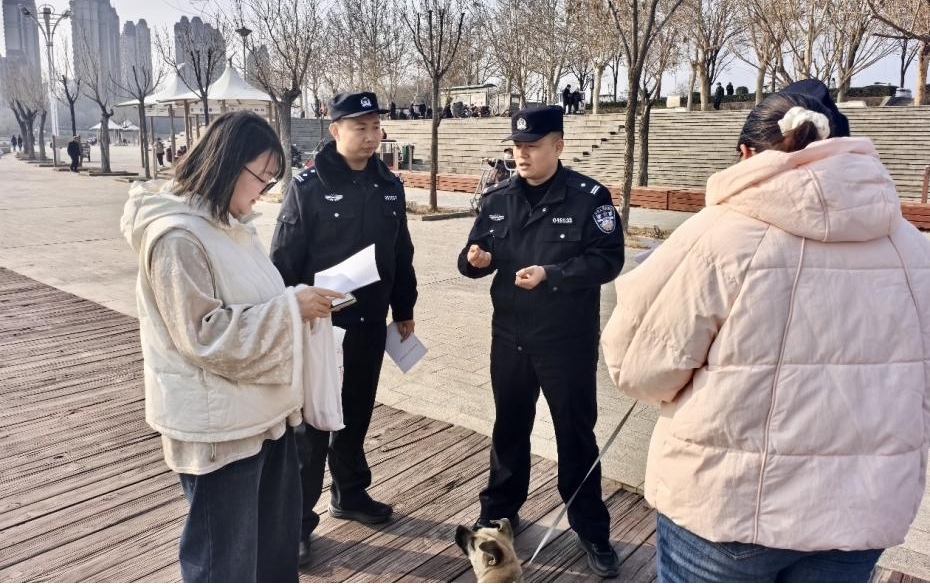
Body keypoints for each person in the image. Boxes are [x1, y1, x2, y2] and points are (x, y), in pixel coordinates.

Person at [600, 79, 930, 582]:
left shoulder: (720, 234)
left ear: (745, 154)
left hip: (726, 506)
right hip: (860, 512)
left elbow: (639, 369)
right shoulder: (914, 250)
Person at [120, 110, 344, 582]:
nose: (264, 189)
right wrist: (291, 309)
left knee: (273, 555)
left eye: (271, 178)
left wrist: (298, 305)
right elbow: (203, 335)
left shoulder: (232, 226)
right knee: (225, 564)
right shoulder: (178, 237)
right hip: (220, 431)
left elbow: (256, 302)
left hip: (267, 416)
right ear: (226, 164)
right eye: (261, 176)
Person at [458, 105, 624, 578]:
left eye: (532, 146)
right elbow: (471, 257)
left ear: (558, 145)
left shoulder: (588, 197)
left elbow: (608, 260)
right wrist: (475, 260)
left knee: (575, 433)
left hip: (565, 339)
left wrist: (552, 274)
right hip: (510, 335)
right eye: (517, 146)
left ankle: (590, 527)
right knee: (509, 426)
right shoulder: (498, 198)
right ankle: (499, 512)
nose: (522, 154)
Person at [270, 91, 418, 566]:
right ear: (335, 130)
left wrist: (404, 307)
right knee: (313, 426)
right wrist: (288, 313)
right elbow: (283, 258)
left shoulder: (389, 185)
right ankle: (296, 523)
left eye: (376, 127)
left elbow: (401, 252)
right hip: (321, 327)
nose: (371, 137)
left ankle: (350, 493)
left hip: (369, 323)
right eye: (360, 127)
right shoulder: (309, 185)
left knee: (356, 412)